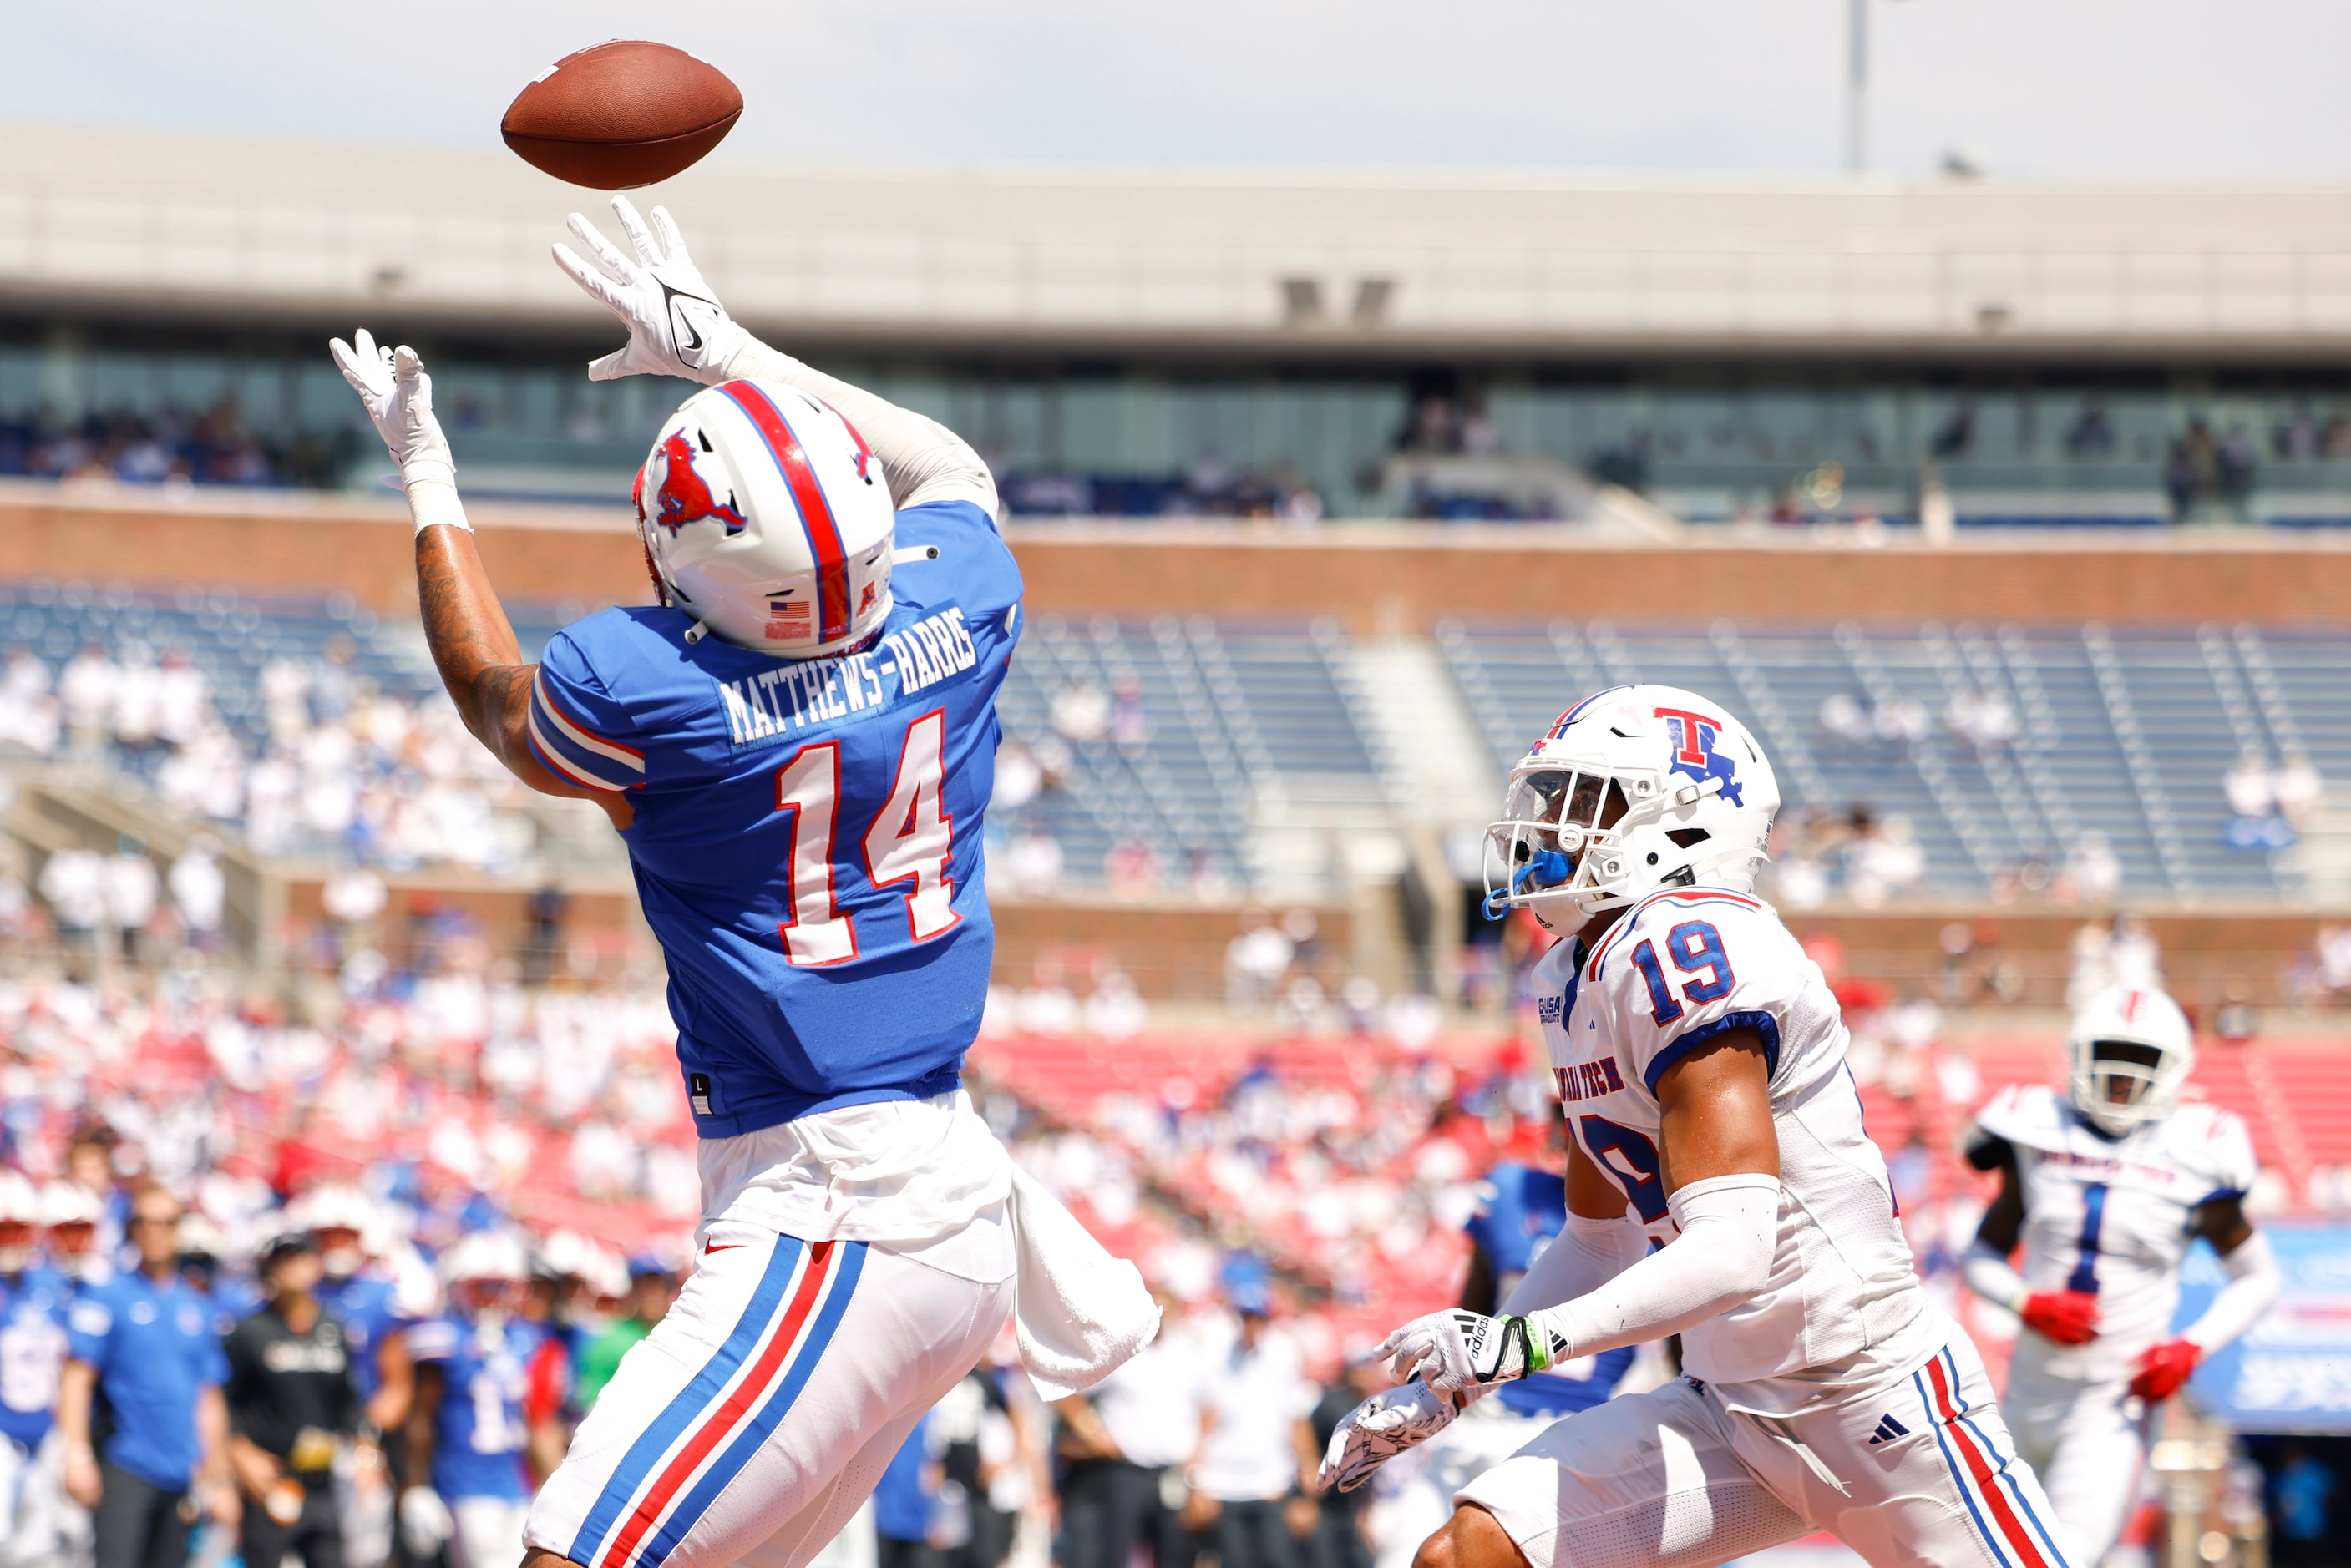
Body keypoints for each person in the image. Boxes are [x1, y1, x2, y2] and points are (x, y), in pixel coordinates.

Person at [329, 192, 1151, 1568]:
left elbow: (490, 693)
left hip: (837, 1210)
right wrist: (727, 349)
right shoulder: (960, 601)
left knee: (570, 1548)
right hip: (925, 1182)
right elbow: (948, 462)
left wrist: (427, 475)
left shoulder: (662, 687)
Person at [1321, 685, 2070, 1568]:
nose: (1551, 825)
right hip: (1730, 1409)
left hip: (1872, 1396)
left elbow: (1733, 1250)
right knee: (1467, 1555)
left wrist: (1514, 1343)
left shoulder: (1687, 948)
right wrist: (1456, 1387)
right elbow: (1595, 1242)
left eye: (1582, 800)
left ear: (1679, 824)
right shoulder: (1573, 971)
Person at [1961, 985, 2281, 1566]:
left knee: (2067, 1555)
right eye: (2107, 1050)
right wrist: (2024, 1302)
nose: (2119, 1073)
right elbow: (1981, 1255)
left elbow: (2257, 1279)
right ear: (2076, 1053)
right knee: (1982, 1553)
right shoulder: (2035, 1129)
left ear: (2173, 1068)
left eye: (2140, 1059)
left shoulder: (2199, 1148)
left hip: (2114, 1401)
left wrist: (2190, 1348)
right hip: (2025, 1393)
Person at [1371, 1145, 1639, 1567]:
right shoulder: (1511, 1186)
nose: (1571, 1119)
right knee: (1404, 1554)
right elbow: (1469, 1319)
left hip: (1570, 1434)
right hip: (1483, 1416)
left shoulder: (1662, 1220)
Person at [58, 1185, 236, 1568]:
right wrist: (75, 1455)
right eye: (144, 1221)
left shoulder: (197, 1305)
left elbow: (208, 1394)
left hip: (180, 1469)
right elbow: (76, 1379)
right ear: (131, 1227)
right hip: (125, 1461)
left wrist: (217, 1472)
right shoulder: (107, 1296)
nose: (155, 1230)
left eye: (166, 1221)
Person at [400, 1232, 566, 1568]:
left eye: (501, 1286)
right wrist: (416, 1486)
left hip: (518, 1483)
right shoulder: (443, 1337)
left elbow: (538, 1422)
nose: (493, 1297)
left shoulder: (527, 1339)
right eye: (482, 1286)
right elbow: (421, 1418)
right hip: (464, 1483)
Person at [225, 1231, 372, 1568]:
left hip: (322, 1478)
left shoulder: (334, 1328)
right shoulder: (251, 1331)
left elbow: (349, 1400)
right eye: (284, 1260)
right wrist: (240, 1453)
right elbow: (225, 1399)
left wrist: (366, 1452)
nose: (293, 1268)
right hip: (272, 1477)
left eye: (300, 1257)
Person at [1191, 1283, 1317, 1568]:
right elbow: (1204, 1424)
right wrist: (1197, 1482)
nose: (1251, 1325)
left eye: (1257, 1318)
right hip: (1223, 1483)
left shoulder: (1283, 1355)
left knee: (1278, 1559)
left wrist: (1307, 1486)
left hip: (1270, 1481)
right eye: (1246, 1317)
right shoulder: (1217, 1359)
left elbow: (1295, 1419)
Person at [0, 1171, 71, 1568]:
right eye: (3, 1230)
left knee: (44, 1546)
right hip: (3, 1430)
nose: (10, 1240)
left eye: (18, 1229)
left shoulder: (51, 1283)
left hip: (48, 1430)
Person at [571, 1258, 675, 1414]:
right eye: (645, 1287)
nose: (652, 1295)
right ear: (633, 1291)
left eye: (659, 1287)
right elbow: (591, 1405)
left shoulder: (674, 1334)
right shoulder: (610, 1341)